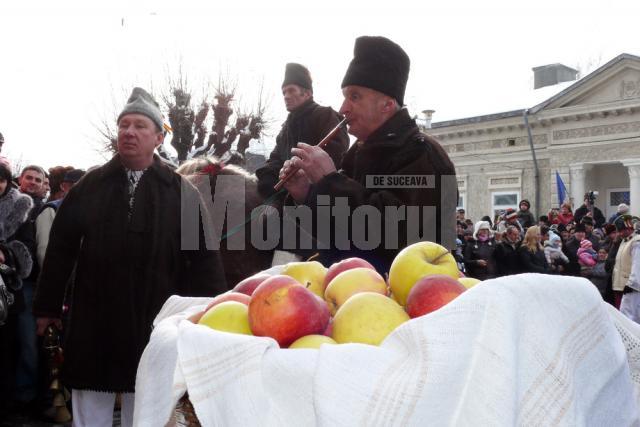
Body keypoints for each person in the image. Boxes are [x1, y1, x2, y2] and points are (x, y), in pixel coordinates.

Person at [33, 87, 228, 426]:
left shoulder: (180, 191)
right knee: (89, 405)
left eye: (139, 125)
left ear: (157, 137)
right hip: (95, 322)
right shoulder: (90, 186)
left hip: (152, 323)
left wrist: (209, 315)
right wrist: (48, 308)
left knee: (149, 408)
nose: (129, 132)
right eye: (124, 124)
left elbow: (203, 260)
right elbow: (61, 249)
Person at [279, 36, 457, 274]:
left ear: (386, 104)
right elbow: (335, 230)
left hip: (405, 295)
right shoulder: (357, 153)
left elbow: (392, 233)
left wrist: (329, 181)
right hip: (351, 288)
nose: (343, 108)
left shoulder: (420, 153)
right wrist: (306, 193)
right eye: (345, 97)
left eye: (354, 96)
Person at [255, 63, 349, 200]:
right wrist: (267, 178)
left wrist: (304, 176)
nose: (286, 96)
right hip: (287, 193)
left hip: (321, 197)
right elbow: (276, 159)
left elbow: (336, 152)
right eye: (284, 92)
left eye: (291, 90)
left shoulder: (325, 115)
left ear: (307, 93)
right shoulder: (285, 129)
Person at [35, 169, 85, 268]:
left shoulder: (89, 212)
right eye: (73, 185)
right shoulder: (52, 209)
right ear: (63, 186)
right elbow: (44, 252)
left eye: (83, 186)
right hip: (60, 276)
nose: (78, 189)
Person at [612, 215, 640, 314]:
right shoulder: (624, 241)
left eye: (621, 230)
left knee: (630, 317)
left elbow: (637, 264)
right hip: (620, 286)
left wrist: (632, 284)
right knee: (622, 316)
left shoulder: (636, 242)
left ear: (628, 228)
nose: (619, 233)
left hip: (631, 288)